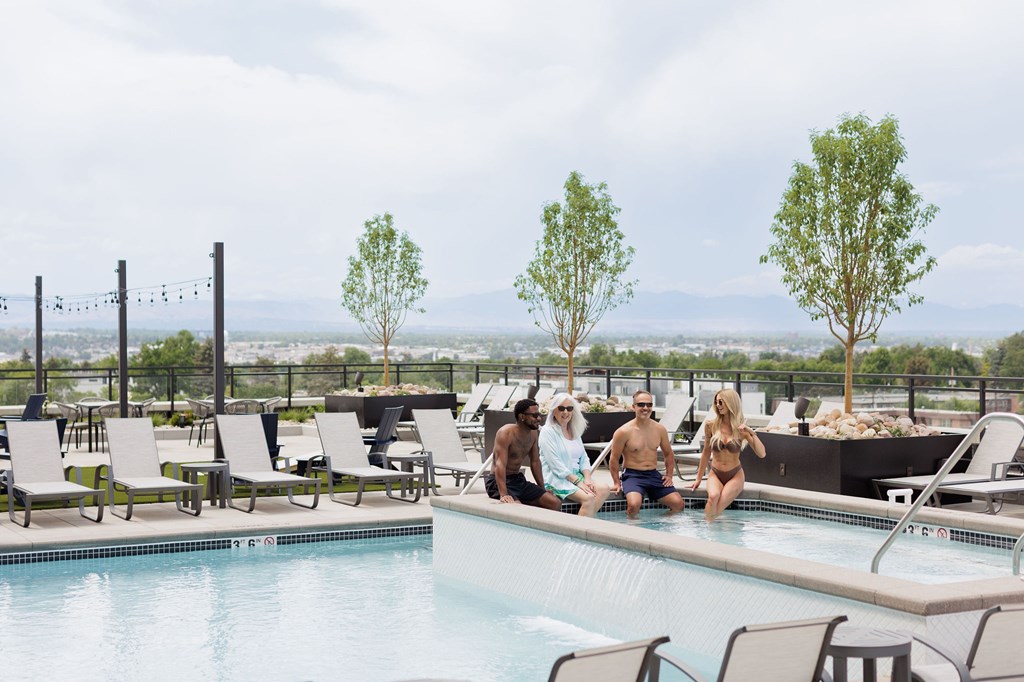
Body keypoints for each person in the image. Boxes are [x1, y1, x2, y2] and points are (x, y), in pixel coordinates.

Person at [689, 388, 766, 521]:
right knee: (713, 497)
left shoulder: (741, 430)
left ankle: (709, 529)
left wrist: (751, 432)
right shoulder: (710, 426)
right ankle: (710, 530)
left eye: (721, 402)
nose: (718, 405)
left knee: (720, 503)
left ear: (730, 403)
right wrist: (698, 479)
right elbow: (706, 454)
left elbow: (762, 453)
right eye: (716, 402)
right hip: (715, 472)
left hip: (735, 474)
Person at [609, 390, 686, 518]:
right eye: (641, 405)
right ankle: (630, 530)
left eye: (649, 405)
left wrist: (669, 475)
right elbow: (614, 459)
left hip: (653, 475)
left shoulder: (660, 429)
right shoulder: (623, 431)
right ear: (633, 407)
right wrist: (617, 483)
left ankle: (657, 525)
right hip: (633, 475)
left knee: (678, 504)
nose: (645, 408)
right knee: (634, 505)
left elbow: (668, 454)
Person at [539, 393, 611, 517]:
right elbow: (555, 464)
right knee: (589, 498)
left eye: (569, 408)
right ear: (554, 411)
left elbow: (583, 457)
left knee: (604, 489)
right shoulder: (547, 431)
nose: (565, 412)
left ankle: (586, 522)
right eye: (561, 408)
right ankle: (580, 531)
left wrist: (587, 479)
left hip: (577, 476)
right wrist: (578, 482)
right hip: (557, 478)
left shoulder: (574, 430)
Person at [486, 398, 562, 510]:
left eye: (539, 414)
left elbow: (535, 462)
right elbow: (500, 464)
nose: (539, 418)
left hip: (517, 480)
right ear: (522, 417)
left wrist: (542, 488)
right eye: (535, 416)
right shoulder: (506, 433)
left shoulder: (534, 434)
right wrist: (504, 494)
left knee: (554, 503)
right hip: (497, 482)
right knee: (518, 509)